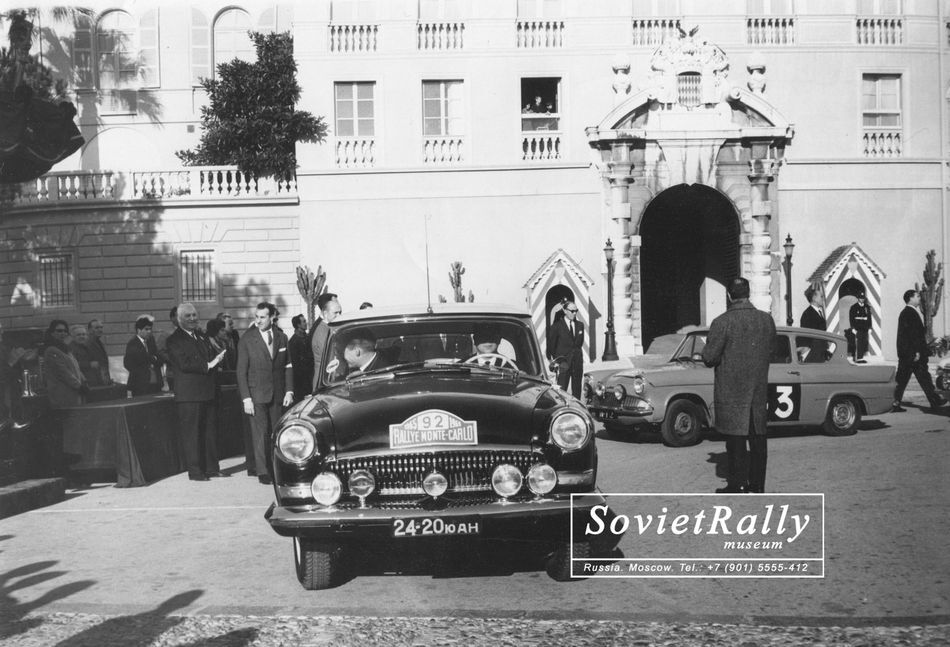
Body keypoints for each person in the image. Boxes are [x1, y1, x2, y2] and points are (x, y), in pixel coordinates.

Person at [701, 278, 776, 494]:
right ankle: (757, 485)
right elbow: (772, 351)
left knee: (735, 441)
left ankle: (737, 484)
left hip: (732, 391)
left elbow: (710, 357)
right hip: (758, 390)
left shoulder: (722, 322)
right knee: (758, 438)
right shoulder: (766, 320)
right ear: (749, 293)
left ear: (729, 296)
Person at [166, 303, 229, 482]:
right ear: (179, 320)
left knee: (210, 432)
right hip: (189, 395)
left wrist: (216, 360)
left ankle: (212, 468)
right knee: (192, 434)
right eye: (188, 316)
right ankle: (195, 471)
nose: (193, 319)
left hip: (207, 391)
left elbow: (208, 356)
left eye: (194, 315)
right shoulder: (174, 340)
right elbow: (184, 364)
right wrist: (208, 365)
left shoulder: (201, 336)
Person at [236, 302, 294, 484]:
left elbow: (288, 366)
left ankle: (277, 469)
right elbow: (241, 371)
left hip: (278, 394)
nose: (258, 320)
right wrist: (246, 398)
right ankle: (263, 471)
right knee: (260, 434)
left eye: (262, 317)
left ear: (272, 317)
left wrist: (289, 390)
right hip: (256, 394)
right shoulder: (247, 339)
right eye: (256, 317)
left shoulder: (282, 337)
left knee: (276, 432)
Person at [891, 289, 948, 413]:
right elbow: (913, 335)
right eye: (917, 296)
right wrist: (917, 352)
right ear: (910, 298)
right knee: (913, 378)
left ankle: (896, 403)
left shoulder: (907, 313)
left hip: (908, 354)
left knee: (911, 378)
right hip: (913, 354)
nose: (919, 298)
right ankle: (933, 401)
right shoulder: (909, 313)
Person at [43, 319, 87, 409]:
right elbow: (63, 372)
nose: (62, 333)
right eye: (59, 331)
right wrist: (79, 386)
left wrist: (84, 380)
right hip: (62, 394)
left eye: (65, 331)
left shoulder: (65, 349)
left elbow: (75, 368)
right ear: (52, 333)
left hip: (73, 392)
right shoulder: (51, 350)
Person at [547, 300, 585, 399]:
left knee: (577, 391)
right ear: (565, 311)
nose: (574, 313)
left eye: (576, 311)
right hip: (563, 364)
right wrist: (556, 361)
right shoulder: (557, 326)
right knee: (562, 392)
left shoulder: (580, 325)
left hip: (577, 363)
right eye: (572, 311)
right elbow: (551, 346)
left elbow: (579, 344)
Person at [123, 315, 163, 397]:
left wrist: (152, 359)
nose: (149, 331)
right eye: (146, 329)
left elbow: (159, 357)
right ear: (139, 330)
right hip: (140, 384)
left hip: (155, 381)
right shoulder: (133, 343)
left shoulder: (151, 341)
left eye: (150, 329)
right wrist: (151, 359)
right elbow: (128, 364)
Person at [310, 293, 342, 391]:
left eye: (340, 312)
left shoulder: (329, 328)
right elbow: (330, 357)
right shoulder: (322, 330)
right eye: (335, 313)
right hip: (325, 381)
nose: (339, 315)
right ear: (325, 313)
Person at [288, 314, 313, 403]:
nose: (306, 323)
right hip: (301, 381)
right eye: (304, 321)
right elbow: (295, 364)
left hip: (309, 377)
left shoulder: (307, 337)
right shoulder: (293, 341)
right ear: (298, 325)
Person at [85, 319, 112, 386]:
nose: (100, 330)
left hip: (102, 380)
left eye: (101, 327)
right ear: (90, 330)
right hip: (94, 382)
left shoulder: (99, 343)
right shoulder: (86, 344)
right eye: (97, 328)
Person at [849, 291, 872, 363]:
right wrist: (852, 328)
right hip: (857, 328)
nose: (862, 299)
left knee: (864, 342)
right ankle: (857, 358)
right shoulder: (854, 307)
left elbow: (869, 317)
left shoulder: (866, 307)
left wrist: (870, 328)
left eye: (863, 298)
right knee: (858, 343)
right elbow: (851, 318)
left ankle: (861, 357)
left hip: (865, 328)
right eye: (860, 298)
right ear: (858, 298)